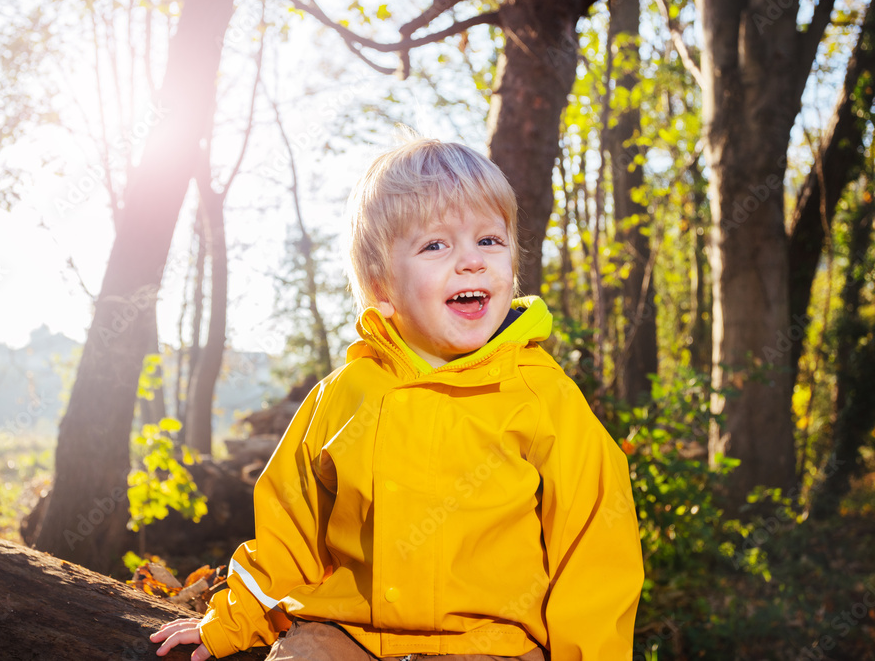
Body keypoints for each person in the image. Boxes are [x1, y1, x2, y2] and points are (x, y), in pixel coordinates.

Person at [151, 136, 643, 661]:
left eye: (489, 241)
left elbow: (595, 546)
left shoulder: (541, 395)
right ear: (381, 284)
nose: (471, 263)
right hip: (347, 632)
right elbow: (289, 530)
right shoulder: (345, 395)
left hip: (492, 643)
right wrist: (233, 620)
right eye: (436, 245)